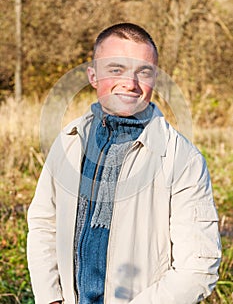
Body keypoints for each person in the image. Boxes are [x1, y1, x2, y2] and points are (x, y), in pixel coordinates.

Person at [27, 23, 221, 304]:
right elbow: (44, 224)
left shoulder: (182, 159)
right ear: (92, 75)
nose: (130, 83)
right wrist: (51, 298)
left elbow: (198, 268)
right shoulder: (69, 141)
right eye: (116, 69)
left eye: (143, 71)